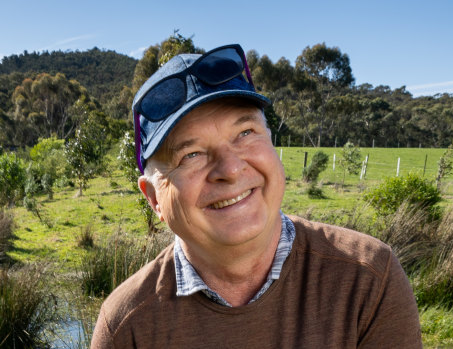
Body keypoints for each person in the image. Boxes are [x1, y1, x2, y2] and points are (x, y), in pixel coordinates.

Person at [91, 44, 422, 348]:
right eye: (191, 154)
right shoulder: (125, 326)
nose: (231, 169)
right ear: (154, 200)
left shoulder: (368, 279)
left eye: (245, 133)